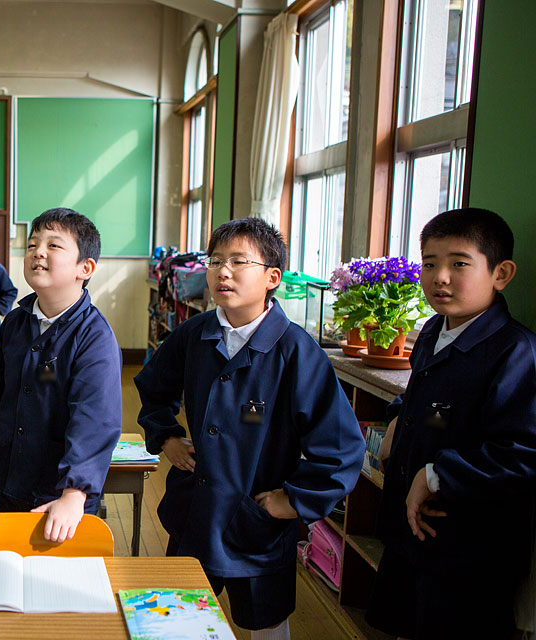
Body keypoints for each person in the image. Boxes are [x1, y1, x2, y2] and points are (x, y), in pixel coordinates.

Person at [135, 218, 364, 639]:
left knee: (267, 624)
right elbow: (153, 387)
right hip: (195, 510)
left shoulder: (297, 351)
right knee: (175, 619)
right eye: (215, 261)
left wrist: (292, 502)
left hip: (257, 523)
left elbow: (341, 448)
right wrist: (167, 436)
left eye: (239, 261)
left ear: (272, 278)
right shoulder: (194, 333)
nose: (223, 271)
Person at [366, 208, 536, 640]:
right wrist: (397, 419)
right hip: (413, 534)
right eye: (429, 263)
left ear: (501, 273)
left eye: (459, 263)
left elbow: (522, 455)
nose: (440, 277)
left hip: (468, 551)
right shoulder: (432, 330)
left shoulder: (516, 353)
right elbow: (422, 391)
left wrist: (435, 474)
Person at [0, 207, 122, 543]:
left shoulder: (94, 337)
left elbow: (95, 419)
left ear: (85, 268)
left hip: (60, 497)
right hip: (10, 480)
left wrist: (74, 492)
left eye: (54, 245)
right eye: (32, 245)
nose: (38, 252)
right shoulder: (15, 323)